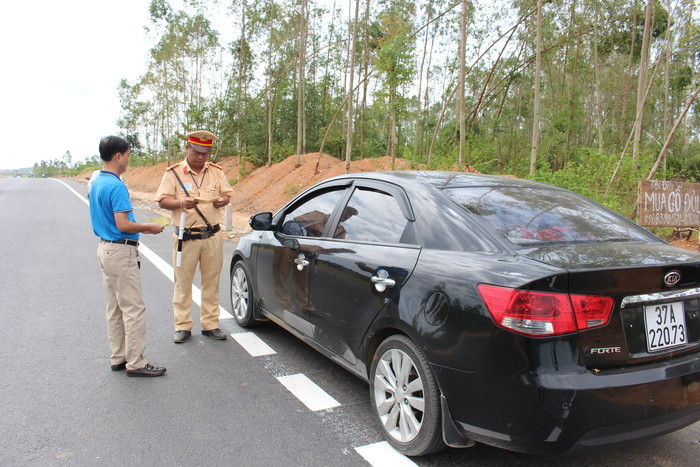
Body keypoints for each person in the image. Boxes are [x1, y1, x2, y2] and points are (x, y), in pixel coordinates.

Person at [89, 135, 166, 377]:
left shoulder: (97, 181)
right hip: (121, 250)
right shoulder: (116, 185)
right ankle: (136, 362)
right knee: (133, 308)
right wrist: (148, 227)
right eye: (128, 155)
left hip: (104, 248)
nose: (128, 160)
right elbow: (123, 224)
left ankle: (118, 356)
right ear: (118, 156)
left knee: (114, 306)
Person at [155, 130, 234, 343]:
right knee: (183, 283)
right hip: (185, 237)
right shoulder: (173, 173)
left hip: (212, 237)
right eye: (197, 152)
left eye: (205, 153)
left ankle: (210, 324)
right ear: (187, 148)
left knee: (211, 282)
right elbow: (162, 200)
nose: (201, 157)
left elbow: (228, 193)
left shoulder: (216, 171)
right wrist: (181, 203)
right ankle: (182, 326)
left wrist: (222, 201)